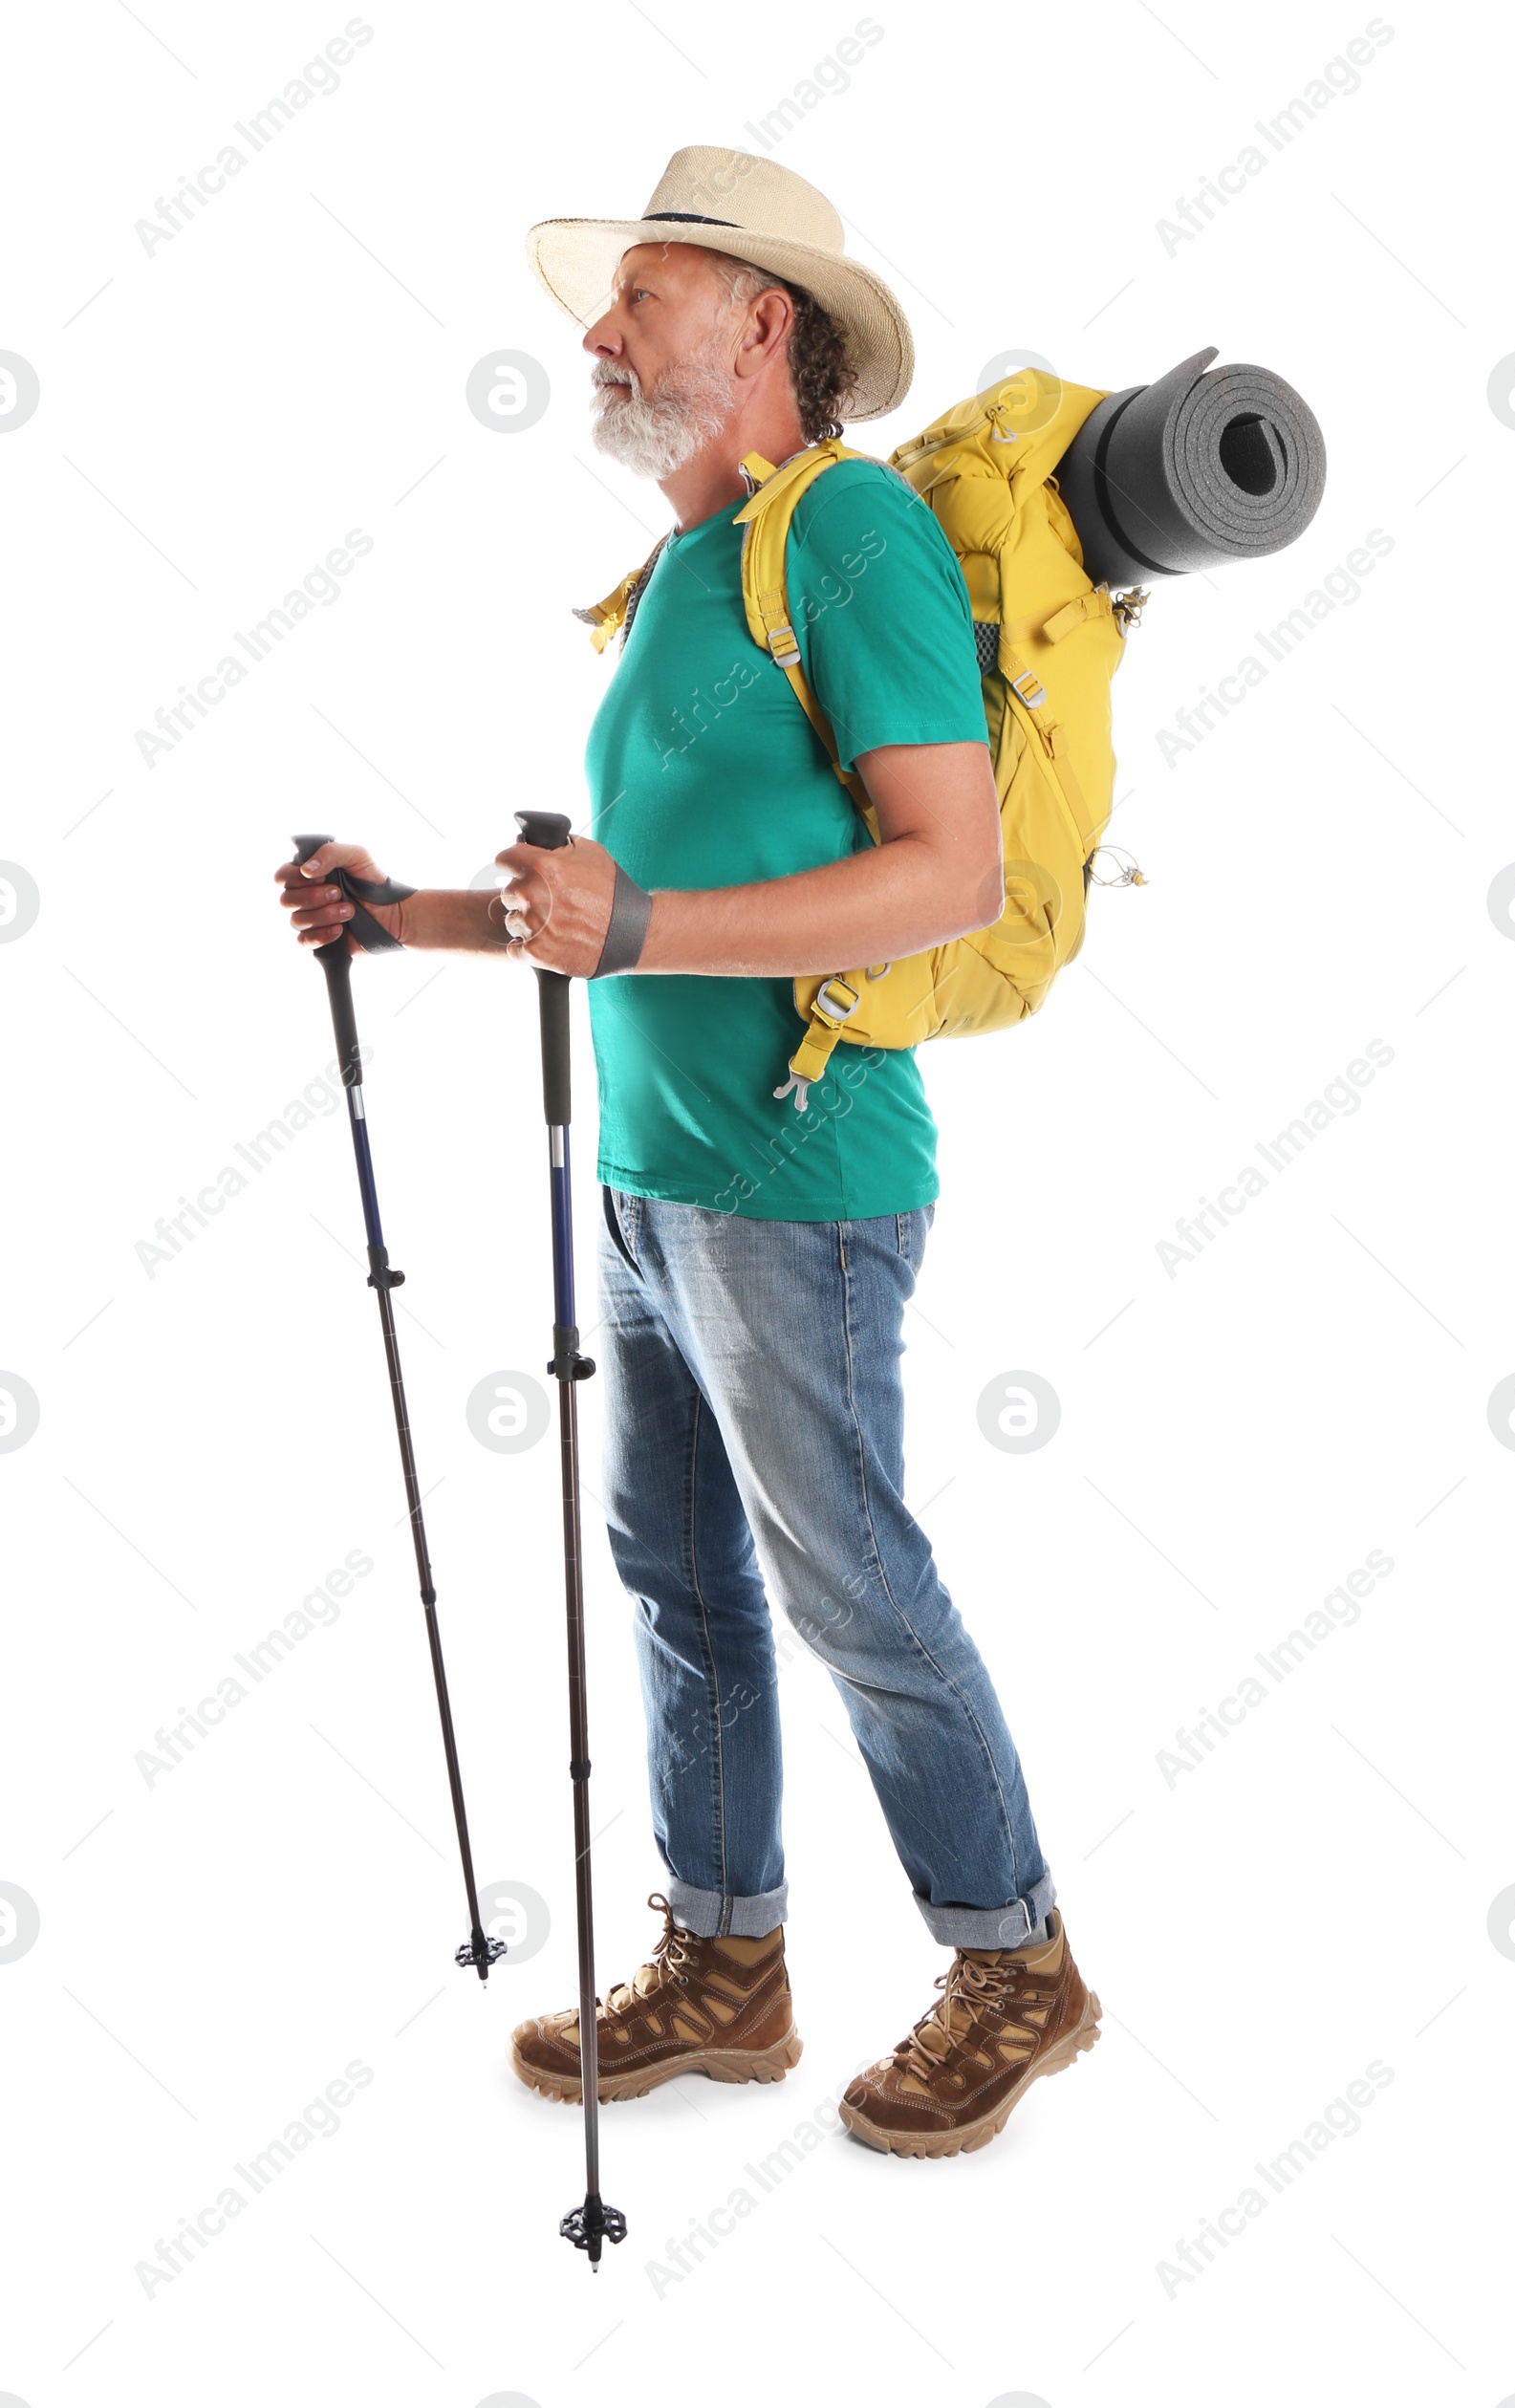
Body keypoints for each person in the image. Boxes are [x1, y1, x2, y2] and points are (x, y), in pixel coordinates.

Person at [275, 145, 1100, 2160]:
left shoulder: (852, 542)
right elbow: (623, 895)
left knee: (847, 1586)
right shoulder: (676, 580)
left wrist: (633, 927)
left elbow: (944, 870)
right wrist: (415, 916)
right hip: (649, 1178)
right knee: (674, 1573)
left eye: (634, 296)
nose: (592, 333)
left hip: (797, 1185)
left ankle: (1016, 1963)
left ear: (759, 325)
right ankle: (728, 1968)